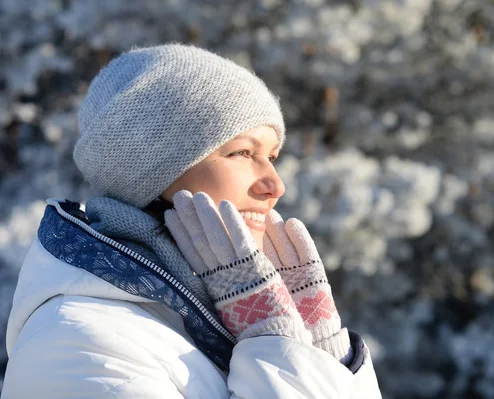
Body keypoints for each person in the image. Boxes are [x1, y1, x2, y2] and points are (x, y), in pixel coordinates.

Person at [1, 43, 381, 398]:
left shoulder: (215, 320)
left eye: (273, 156)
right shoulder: (76, 341)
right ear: (149, 168)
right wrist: (276, 346)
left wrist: (322, 348)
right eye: (243, 152)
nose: (275, 185)